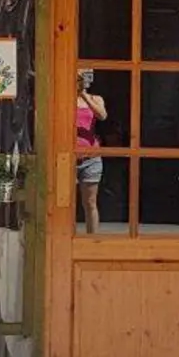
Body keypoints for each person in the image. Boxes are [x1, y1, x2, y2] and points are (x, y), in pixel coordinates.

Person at [74, 70, 107, 234]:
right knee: (65, 203)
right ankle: (66, 238)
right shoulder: (64, 98)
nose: (82, 81)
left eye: (85, 78)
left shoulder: (95, 98)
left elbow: (102, 115)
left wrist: (84, 95)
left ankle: (92, 240)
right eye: (79, 78)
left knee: (90, 202)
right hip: (68, 156)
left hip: (91, 157)